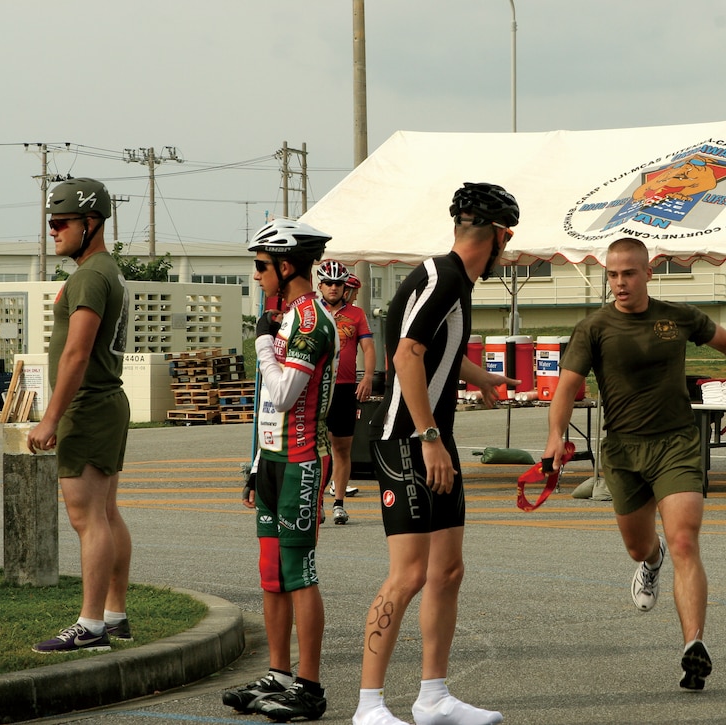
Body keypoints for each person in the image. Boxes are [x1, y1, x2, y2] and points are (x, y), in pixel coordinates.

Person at [542, 236, 726, 690]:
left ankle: (693, 646)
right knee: (641, 547)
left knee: (685, 540)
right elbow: (566, 387)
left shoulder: (676, 317)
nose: (619, 283)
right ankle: (651, 559)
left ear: (648, 272)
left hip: (677, 444)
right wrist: (555, 438)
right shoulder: (594, 328)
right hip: (623, 452)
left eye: (628, 273)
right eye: (612, 275)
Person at [352, 182, 519, 725]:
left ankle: (434, 698)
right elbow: (406, 355)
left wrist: (483, 378)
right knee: (408, 574)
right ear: (499, 236)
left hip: (432, 440)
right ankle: (369, 706)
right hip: (406, 440)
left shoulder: (453, 281)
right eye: (507, 243)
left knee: (447, 572)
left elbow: (434, 348)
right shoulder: (444, 277)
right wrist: (428, 439)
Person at [221, 219, 339, 721]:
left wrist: (263, 346)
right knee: (270, 573)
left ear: (286, 266)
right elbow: (265, 405)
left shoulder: (311, 320)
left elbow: (286, 393)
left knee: (297, 573)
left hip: (301, 461)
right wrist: (253, 464)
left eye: (261, 266)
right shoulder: (284, 315)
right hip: (270, 460)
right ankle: (279, 674)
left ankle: (309, 687)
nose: (256, 275)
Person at [27, 178, 133, 654]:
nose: (54, 231)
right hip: (105, 400)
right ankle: (114, 616)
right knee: (105, 513)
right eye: (51, 223)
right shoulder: (106, 269)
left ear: (91, 222)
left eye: (61, 222)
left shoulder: (91, 275)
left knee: (87, 517)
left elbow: (76, 351)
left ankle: (90, 626)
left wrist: (51, 418)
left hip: (88, 404)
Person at [316, 259, 376, 525]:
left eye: (337, 284)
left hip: (344, 389)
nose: (333, 288)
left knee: (342, 448)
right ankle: (315, 501)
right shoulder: (311, 312)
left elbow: (369, 348)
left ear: (344, 287)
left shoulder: (357, 314)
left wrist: (369, 377)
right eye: (328, 283)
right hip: (316, 388)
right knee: (315, 449)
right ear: (320, 286)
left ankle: (338, 503)